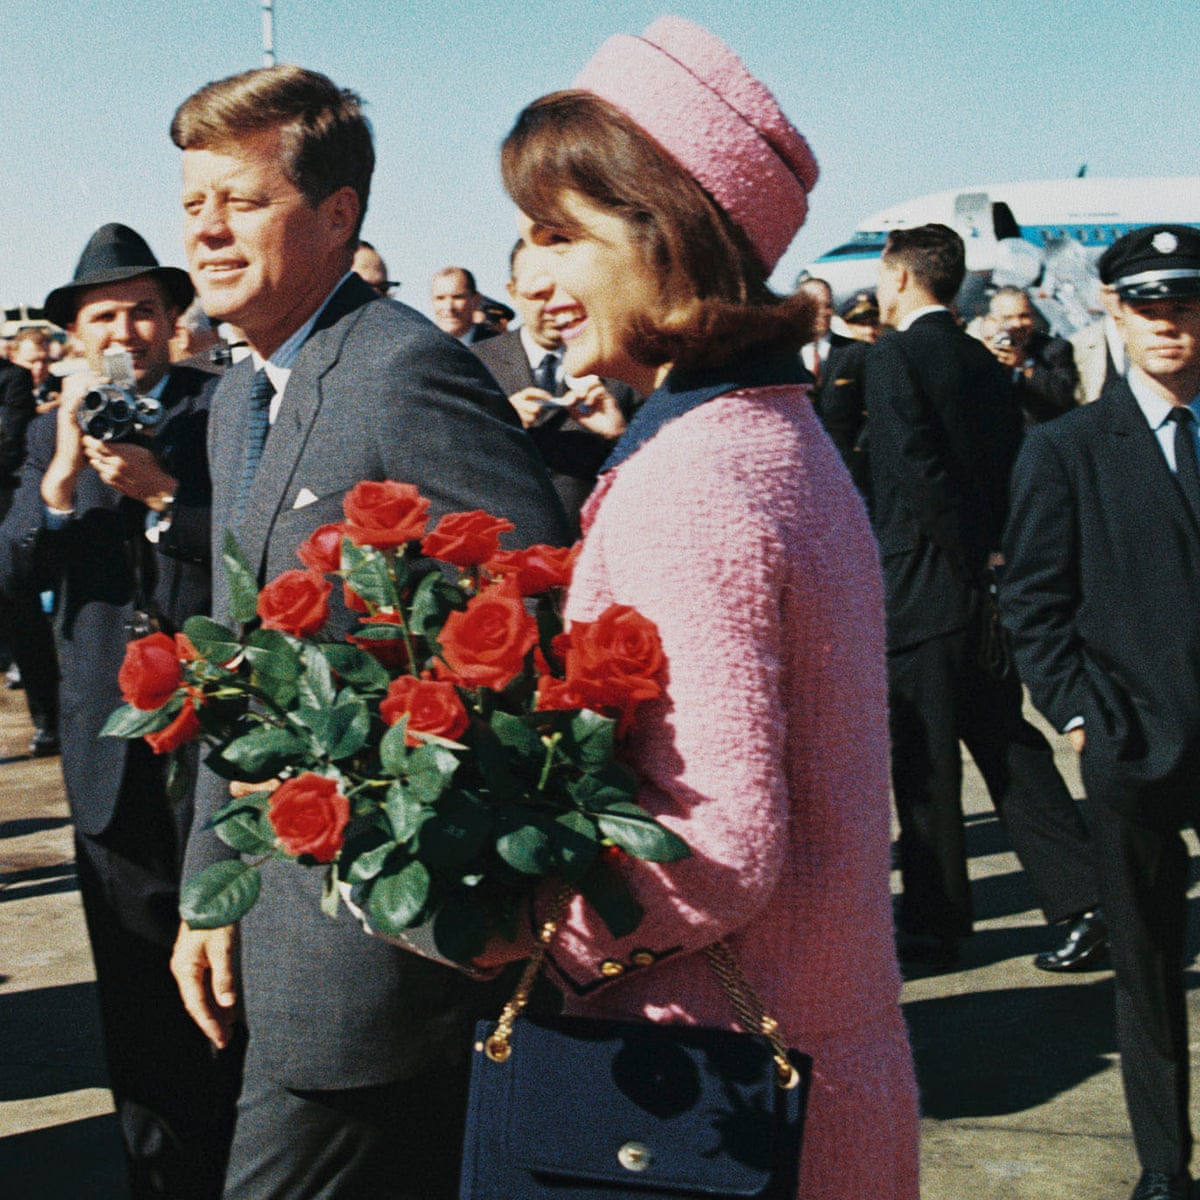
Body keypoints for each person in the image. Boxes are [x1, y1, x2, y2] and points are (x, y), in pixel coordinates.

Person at [481, 17, 920, 1197]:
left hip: (701, 1100)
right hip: (804, 1063)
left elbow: (719, 847)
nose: (529, 278)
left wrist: (515, 927)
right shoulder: (767, 433)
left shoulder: (695, 476)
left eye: (558, 235)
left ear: (669, 235)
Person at [168, 65, 570, 1200]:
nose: (206, 231)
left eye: (238, 201)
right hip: (284, 941)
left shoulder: (402, 370)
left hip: (382, 965)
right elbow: (236, 667)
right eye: (192, 203)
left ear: (337, 214)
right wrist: (212, 890)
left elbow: (528, 629)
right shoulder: (241, 396)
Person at [0, 222, 241, 1197]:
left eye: (144, 310)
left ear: (173, 322)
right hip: (109, 761)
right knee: (138, 1014)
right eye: (106, 314)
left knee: (229, 992)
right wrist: (59, 480)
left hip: (216, 748)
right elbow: (13, 568)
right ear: (73, 334)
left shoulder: (226, 411)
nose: (127, 330)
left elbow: (256, 553)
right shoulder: (44, 428)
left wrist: (165, 499)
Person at [1002, 225, 1200, 1200]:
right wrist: (1081, 717)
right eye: (1150, 304)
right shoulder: (1067, 451)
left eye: (1187, 302)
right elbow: (1032, 605)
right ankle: (1166, 1164)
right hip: (1136, 749)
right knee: (1150, 971)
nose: (1171, 322)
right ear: (1114, 312)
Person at [866, 224, 1103, 970]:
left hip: (924, 581)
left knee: (926, 759)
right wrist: (995, 553)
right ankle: (1085, 898)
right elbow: (1004, 461)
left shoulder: (895, 354)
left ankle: (937, 925)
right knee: (1007, 743)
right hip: (985, 580)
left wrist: (965, 551)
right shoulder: (977, 356)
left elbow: (913, 468)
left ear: (901, 278)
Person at [474, 238, 638, 528]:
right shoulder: (475, 365)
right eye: (539, 294)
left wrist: (619, 434)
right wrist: (497, 425)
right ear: (513, 292)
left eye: (566, 288)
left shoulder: (621, 363)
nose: (555, 304)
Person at [798, 276, 872, 497]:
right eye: (816, 305)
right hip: (801, 473)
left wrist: (858, 455)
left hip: (848, 471)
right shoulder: (783, 358)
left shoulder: (856, 353)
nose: (824, 312)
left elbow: (873, 411)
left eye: (828, 305)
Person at [980, 285, 1079, 423]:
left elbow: (1063, 396)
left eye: (1023, 316)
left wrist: (1026, 364)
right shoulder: (986, 351)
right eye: (1008, 318)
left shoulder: (1055, 349)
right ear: (994, 320)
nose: (1017, 323)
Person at [430, 265, 494, 343]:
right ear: (432, 302)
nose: (449, 307)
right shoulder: (421, 349)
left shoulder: (498, 347)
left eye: (457, 297)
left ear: (476, 300)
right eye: (440, 298)